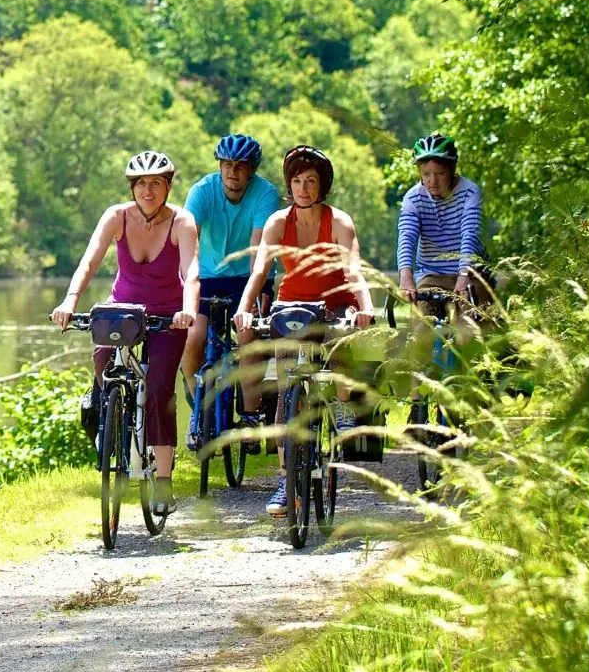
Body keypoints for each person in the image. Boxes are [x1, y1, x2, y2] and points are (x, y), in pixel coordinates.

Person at [51, 150, 200, 516]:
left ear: (167, 186)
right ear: (132, 187)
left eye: (156, 184)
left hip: (167, 315)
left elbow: (192, 270)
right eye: (141, 184)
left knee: (160, 389)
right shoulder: (116, 216)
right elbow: (91, 259)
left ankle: (162, 480)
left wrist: (188, 310)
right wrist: (70, 301)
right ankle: (104, 410)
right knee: (103, 360)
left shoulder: (181, 221)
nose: (148, 191)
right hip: (123, 307)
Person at [231, 145, 375, 517]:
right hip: (290, 307)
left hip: (335, 304)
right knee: (284, 393)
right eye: (297, 181)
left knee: (341, 347)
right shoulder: (279, 222)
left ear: (322, 186)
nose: (303, 188)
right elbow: (259, 273)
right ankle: (285, 479)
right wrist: (244, 310)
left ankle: (343, 406)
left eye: (310, 181)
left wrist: (365, 306)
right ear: (289, 186)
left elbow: (354, 270)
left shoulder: (339, 221)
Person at [179, 134, 281, 449]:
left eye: (240, 167)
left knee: (249, 337)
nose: (232, 172)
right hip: (205, 276)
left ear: (251, 171)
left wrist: (259, 288)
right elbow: (188, 243)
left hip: (246, 277)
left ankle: (251, 416)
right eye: (227, 165)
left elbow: (257, 250)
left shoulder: (265, 194)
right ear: (220, 167)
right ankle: (200, 409)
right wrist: (187, 286)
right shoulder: (202, 191)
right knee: (193, 337)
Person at [395, 134, 489, 308]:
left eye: (440, 173)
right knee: (422, 329)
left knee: (466, 331)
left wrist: (463, 275)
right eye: (426, 174)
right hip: (432, 274)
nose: (433, 181)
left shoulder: (469, 192)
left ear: (452, 170)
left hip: (470, 273)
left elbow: (469, 235)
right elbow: (406, 238)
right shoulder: (413, 198)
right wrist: (406, 278)